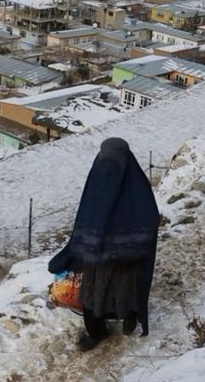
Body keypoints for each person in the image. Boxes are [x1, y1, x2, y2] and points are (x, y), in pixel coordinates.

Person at [48, 137, 160, 351]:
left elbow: (88, 216)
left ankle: (98, 332)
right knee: (116, 290)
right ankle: (120, 323)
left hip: (105, 255)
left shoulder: (100, 175)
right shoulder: (134, 181)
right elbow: (149, 216)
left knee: (96, 294)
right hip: (122, 256)